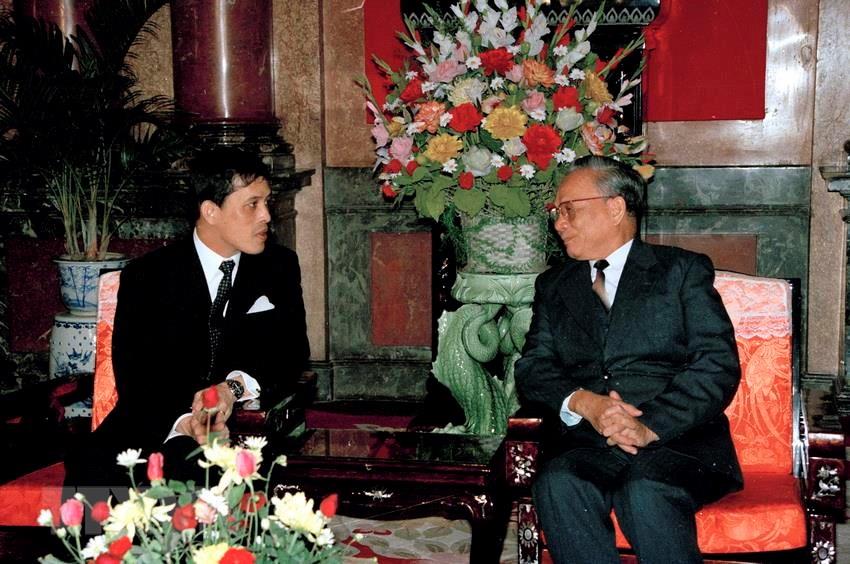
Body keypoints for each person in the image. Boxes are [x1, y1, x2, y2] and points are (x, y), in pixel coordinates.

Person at [515, 156, 743, 563]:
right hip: (589, 441)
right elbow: (533, 368)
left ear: (615, 207)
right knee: (558, 482)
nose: (558, 222)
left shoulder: (681, 271)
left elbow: (715, 365)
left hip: (677, 442)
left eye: (568, 209)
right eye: (556, 212)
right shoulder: (554, 284)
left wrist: (648, 425)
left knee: (644, 490)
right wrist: (586, 403)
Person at [64, 148, 309, 488]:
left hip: (244, 423)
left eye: (267, 202)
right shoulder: (148, 275)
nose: (267, 215)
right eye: (252, 205)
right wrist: (183, 423)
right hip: (156, 421)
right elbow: (134, 376)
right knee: (90, 471)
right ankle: (91, 543)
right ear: (211, 211)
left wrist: (233, 387)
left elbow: (292, 353)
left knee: (214, 475)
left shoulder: (278, 266)